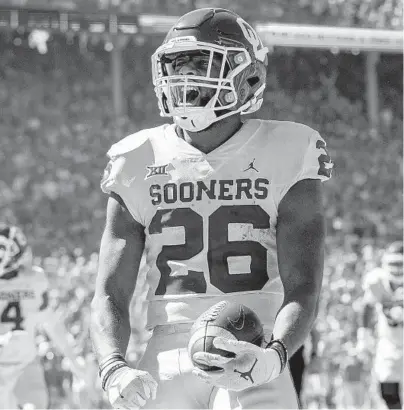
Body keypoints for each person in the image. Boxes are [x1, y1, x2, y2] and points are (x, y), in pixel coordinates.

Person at [90, 7, 333, 409]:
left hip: (253, 343)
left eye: (201, 64)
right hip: (166, 353)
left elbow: (304, 285)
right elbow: (109, 292)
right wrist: (113, 365)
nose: (183, 79)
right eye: (176, 66)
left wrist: (274, 357)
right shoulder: (135, 157)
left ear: (247, 75)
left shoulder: (290, 150)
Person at [0, 224, 89, 409]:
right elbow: (52, 324)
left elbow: (50, 323)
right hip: (24, 362)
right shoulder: (35, 280)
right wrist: (72, 358)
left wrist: (72, 359)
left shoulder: (34, 280)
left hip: (25, 364)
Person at [357, 241, 403, 409]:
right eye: (394, 264)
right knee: (387, 388)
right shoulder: (376, 281)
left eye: (401, 264)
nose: (397, 269)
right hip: (390, 340)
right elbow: (367, 306)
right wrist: (364, 335)